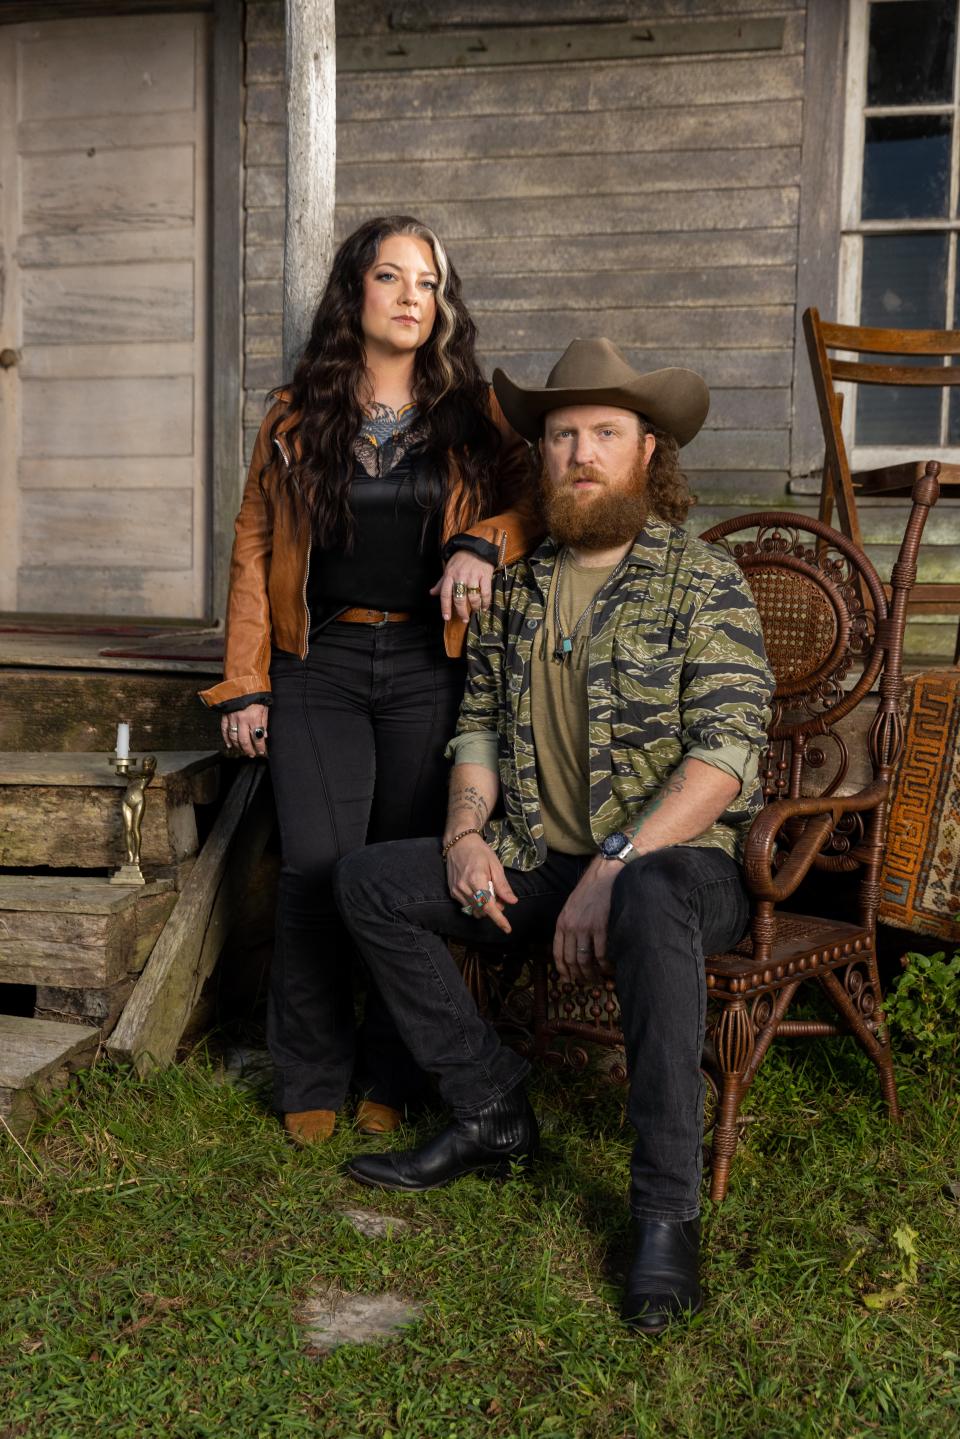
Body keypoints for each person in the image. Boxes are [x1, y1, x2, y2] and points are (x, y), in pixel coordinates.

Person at [333, 337, 774, 1334]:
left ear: (648, 452)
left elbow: (726, 757)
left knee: (655, 895)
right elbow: (478, 726)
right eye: (563, 433)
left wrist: (616, 865)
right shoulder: (513, 590)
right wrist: (462, 836)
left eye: (605, 433)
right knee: (367, 881)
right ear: (540, 454)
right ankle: (492, 1109)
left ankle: (665, 1211)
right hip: (538, 861)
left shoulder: (703, 582)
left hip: (680, 869)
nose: (581, 451)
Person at [199, 215, 540, 1146]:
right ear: (355, 293)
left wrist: (484, 538)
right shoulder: (296, 414)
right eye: (390, 278)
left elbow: (535, 501)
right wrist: (246, 682)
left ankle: (395, 1069)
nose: (410, 298)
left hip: (434, 663)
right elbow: (255, 543)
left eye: (427, 284)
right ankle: (310, 1069)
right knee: (314, 866)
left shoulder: (474, 413)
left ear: (442, 304)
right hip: (323, 663)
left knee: (401, 868)